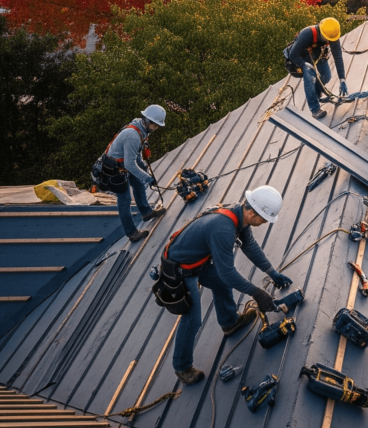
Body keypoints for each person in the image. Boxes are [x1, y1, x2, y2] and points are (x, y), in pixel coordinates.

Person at [166, 185, 293, 385]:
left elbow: (250, 247)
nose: (264, 223)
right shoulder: (223, 228)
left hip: (197, 261)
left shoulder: (239, 216)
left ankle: (229, 322)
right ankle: (182, 367)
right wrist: (257, 293)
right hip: (180, 269)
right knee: (192, 319)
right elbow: (228, 272)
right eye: (264, 219)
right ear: (252, 212)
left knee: (220, 281)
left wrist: (271, 272)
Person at [106, 104, 166, 243]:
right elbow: (129, 164)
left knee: (138, 184)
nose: (156, 128)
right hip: (115, 168)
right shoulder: (132, 135)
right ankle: (131, 233)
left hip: (125, 162)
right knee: (125, 200)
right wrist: (148, 178)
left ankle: (146, 212)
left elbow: (135, 154)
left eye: (158, 125)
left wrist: (143, 168)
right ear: (146, 120)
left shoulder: (142, 129)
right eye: (155, 125)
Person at [285, 17, 347, 120]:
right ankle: (315, 109)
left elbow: (338, 58)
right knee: (310, 79)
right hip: (302, 58)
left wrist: (342, 79)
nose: (329, 41)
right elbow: (293, 54)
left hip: (318, 55)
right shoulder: (307, 34)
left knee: (326, 75)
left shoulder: (332, 36)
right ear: (321, 33)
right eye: (327, 39)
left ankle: (317, 95)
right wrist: (304, 65)